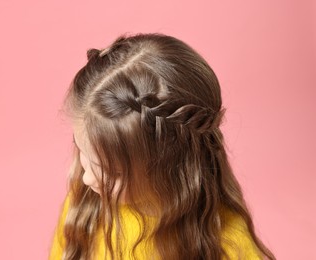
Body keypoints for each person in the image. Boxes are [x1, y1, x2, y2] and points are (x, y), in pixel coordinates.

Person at [49, 32, 275, 260]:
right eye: (82, 150)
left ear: (170, 169)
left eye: (113, 172)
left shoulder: (226, 247)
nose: (87, 178)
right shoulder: (85, 207)